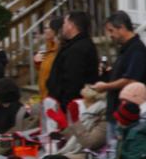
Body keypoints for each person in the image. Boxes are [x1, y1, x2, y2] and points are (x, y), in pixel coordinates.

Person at [92, 11, 146, 139]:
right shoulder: (126, 49)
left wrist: (105, 86)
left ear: (122, 28)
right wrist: (109, 72)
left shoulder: (137, 49)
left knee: (117, 152)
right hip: (116, 111)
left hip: (125, 115)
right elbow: (124, 75)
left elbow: (131, 80)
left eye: (111, 31)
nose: (110, 35)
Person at [46, 11, 99, 111]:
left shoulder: (78, 50)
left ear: (71, 25)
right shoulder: (72, 45)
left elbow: (73, 81)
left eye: (65, 23)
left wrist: (65, 107)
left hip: (70, 107)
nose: (63, 26)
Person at [33, 17, 63, 100]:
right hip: (44, 96)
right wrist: (37, 63)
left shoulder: (60, 50)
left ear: (55, 30)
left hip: (54, 97)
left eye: (47, 28)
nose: (44, 31)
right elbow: (43, 71)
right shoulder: (48, 48)